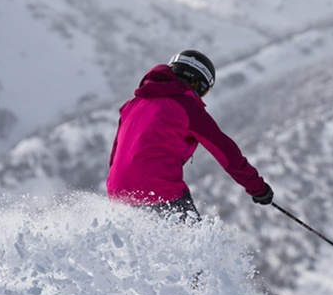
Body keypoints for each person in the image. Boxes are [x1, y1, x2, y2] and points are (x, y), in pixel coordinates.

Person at [107, 49, 273, 220]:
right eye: (205, 91)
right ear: (197, 84)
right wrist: (258, 188)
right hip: (159, 189)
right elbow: (226, 151)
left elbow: (115, 152)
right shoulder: (186, 106)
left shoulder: (133, 103)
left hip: (118, 191)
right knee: (195, 243)